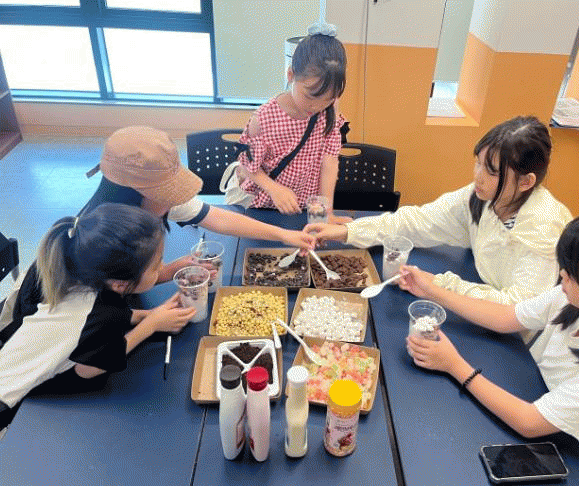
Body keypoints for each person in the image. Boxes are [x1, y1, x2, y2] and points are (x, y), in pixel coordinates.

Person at [402, 207, 579, 485]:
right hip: (535, 397)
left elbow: (529, 422)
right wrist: (432, 290)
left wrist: (454, 365)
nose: (562, 275)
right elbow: (507, 317)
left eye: (574, 273)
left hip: (574, 460)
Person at [305, 116, 572, 305]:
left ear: (526, 182)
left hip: (521, 342)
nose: (478, 176)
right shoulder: (483, 195)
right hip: (478, 303)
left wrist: (440, 285)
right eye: (478, 163)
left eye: (491, 171)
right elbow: (419, 221)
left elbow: (519, 309)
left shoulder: (542, 228)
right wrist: (348, 231)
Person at [0, 203, 197, 429]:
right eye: (156, 266)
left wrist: (149, 315)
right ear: (120, 284)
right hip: (7, 404)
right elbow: (88, 369)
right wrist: (150, 326)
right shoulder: (102, 315)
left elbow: (95, 318)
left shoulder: (78, 271)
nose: (162, 268)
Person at [82, 125, 316, 283]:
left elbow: (220, 218)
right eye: (166, 194)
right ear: (134, 193)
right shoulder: (99, 243)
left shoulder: (153, 202)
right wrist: (148, 320)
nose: (174, 200)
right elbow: (105, 308)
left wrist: (284, 235)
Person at [233, 29, 347, 217]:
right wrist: (274, 189)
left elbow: (329, 163)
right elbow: (247, 166)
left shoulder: (330, 111)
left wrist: (325, 213)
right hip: (264, 205)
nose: (317, 107)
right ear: (291, 75)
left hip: (302, 206)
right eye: (310, 96)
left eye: (328, 99)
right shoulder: (264, 118)